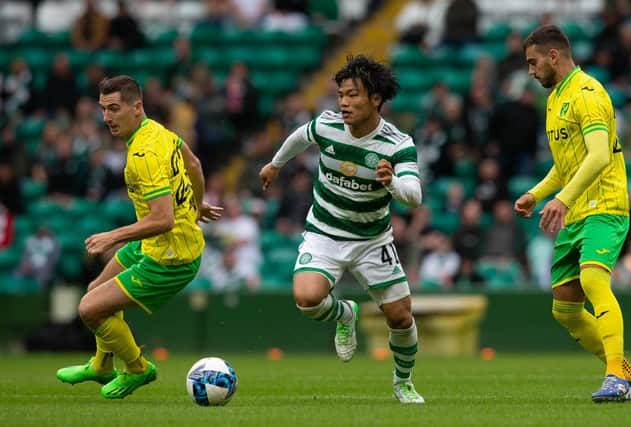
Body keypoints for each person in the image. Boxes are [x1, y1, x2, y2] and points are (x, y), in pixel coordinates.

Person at [259, 55, 425, 404]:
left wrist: (391, 181)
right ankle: (345, 313)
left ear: (375, 99)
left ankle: (403, 381)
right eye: (341, 95)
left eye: (353, 95)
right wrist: (275, 165)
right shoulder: (327, 124)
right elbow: (300, 137)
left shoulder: (397, 144)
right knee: (306, 298)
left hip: (371, 240)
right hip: (325, 232)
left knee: (400, 315)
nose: (344, 103)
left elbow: (414, 197)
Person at [55, 76, 223, 399]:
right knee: (94, 291)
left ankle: (137, 368)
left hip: (171, 259)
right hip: (158, 244)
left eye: (114, 109)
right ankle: (102, 366)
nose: (107, 117)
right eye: (104, 109)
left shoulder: (142, 155)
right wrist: (197, 203)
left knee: (89, 309)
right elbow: (194, 163)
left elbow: (162, 219)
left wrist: (112, 237)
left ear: (137, 107)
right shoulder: (157, 131)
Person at [515, 25, 631, 402]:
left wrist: (563, 200)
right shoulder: (556, 99)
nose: (531, 71)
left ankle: (616, 377)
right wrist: (537, 194)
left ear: (554, 56)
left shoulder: (588, 92)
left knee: (593, 282)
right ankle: (629, 374)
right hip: (576, 213)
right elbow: (566, 163)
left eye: (534, 63)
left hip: (605, 206)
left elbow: (599, 156)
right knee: (565, 309)